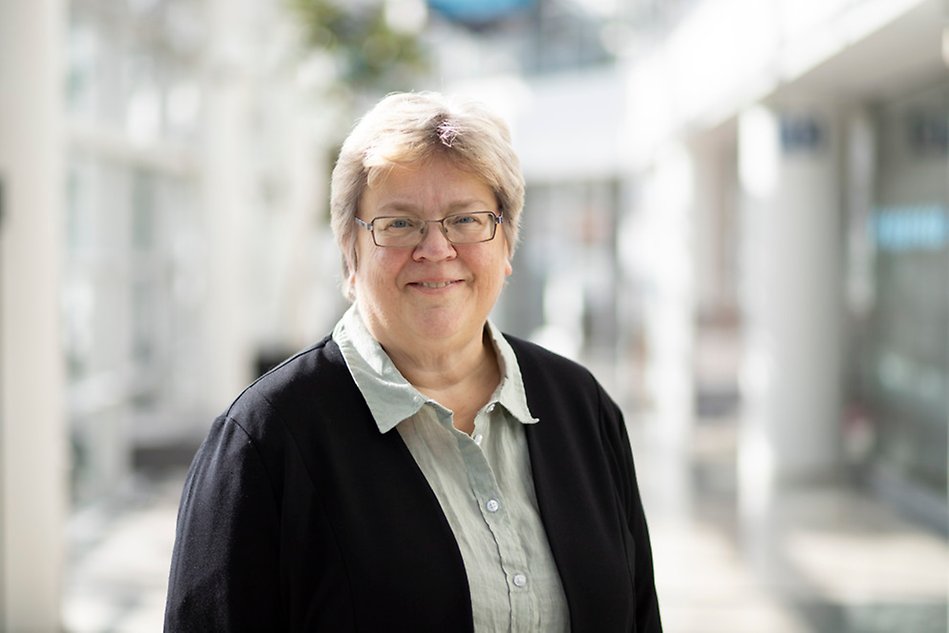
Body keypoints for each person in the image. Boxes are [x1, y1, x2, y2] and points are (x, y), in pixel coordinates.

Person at [164, 91, 662, 632]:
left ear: (506, 245)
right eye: (399, 224)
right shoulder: (264, 441)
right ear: (350, 254)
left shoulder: (580, 404)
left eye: (466, 220)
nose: (436, 248)